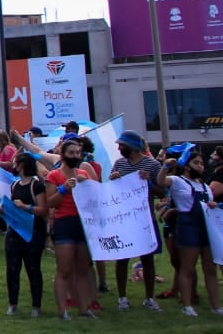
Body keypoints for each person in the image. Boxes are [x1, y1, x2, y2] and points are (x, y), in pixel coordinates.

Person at [157, 148, 221, 316]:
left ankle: (216, 306)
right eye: (196, 163)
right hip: (188, 228)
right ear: (186, 166)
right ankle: (187, 305)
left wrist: (213, 205)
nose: (200, 166)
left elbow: (209, 207)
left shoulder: (206, 187)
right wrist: (165, 166)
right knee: (188, 268)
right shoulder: (178, 181)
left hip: (207, 229)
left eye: (201, 163)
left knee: (210, 268)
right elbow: (161, 181)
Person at [108, 131, 164, 312]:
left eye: (121, 145)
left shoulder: (152, 164)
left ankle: (149, 298)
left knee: (147, 259)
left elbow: (162, 192)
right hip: (123, 218)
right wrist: (113, 179)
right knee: (122, 258)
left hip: (144, 217)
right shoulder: (119, 163)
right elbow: (110, 191)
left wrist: (149, 183)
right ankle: (122, 298)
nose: (118, 148)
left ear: (131, 146)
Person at [46, 135, 98, 320]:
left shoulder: (83, 174)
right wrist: (63, 189)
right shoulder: (54, 175)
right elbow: (50, 202)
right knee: (65, 269)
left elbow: (97, 197)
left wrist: (91, 185)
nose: (75, 155)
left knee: (82, 269)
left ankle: (84, 308)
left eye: (78, 152)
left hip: (82, 224)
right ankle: (63, 310)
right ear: (63, 154)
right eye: (72, 152)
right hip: (64, 222)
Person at [4, 150, 48, 317]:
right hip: (14, 231)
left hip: (33, 231)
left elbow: (43, 209)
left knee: (33, 268)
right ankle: (12, 303)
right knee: (12, 268)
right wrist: (4, 209)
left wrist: (25, 207)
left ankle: (36, 305)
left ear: (21, 165)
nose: (13, 165)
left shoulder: (36, 185)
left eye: (15, 163)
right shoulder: (15, 185)